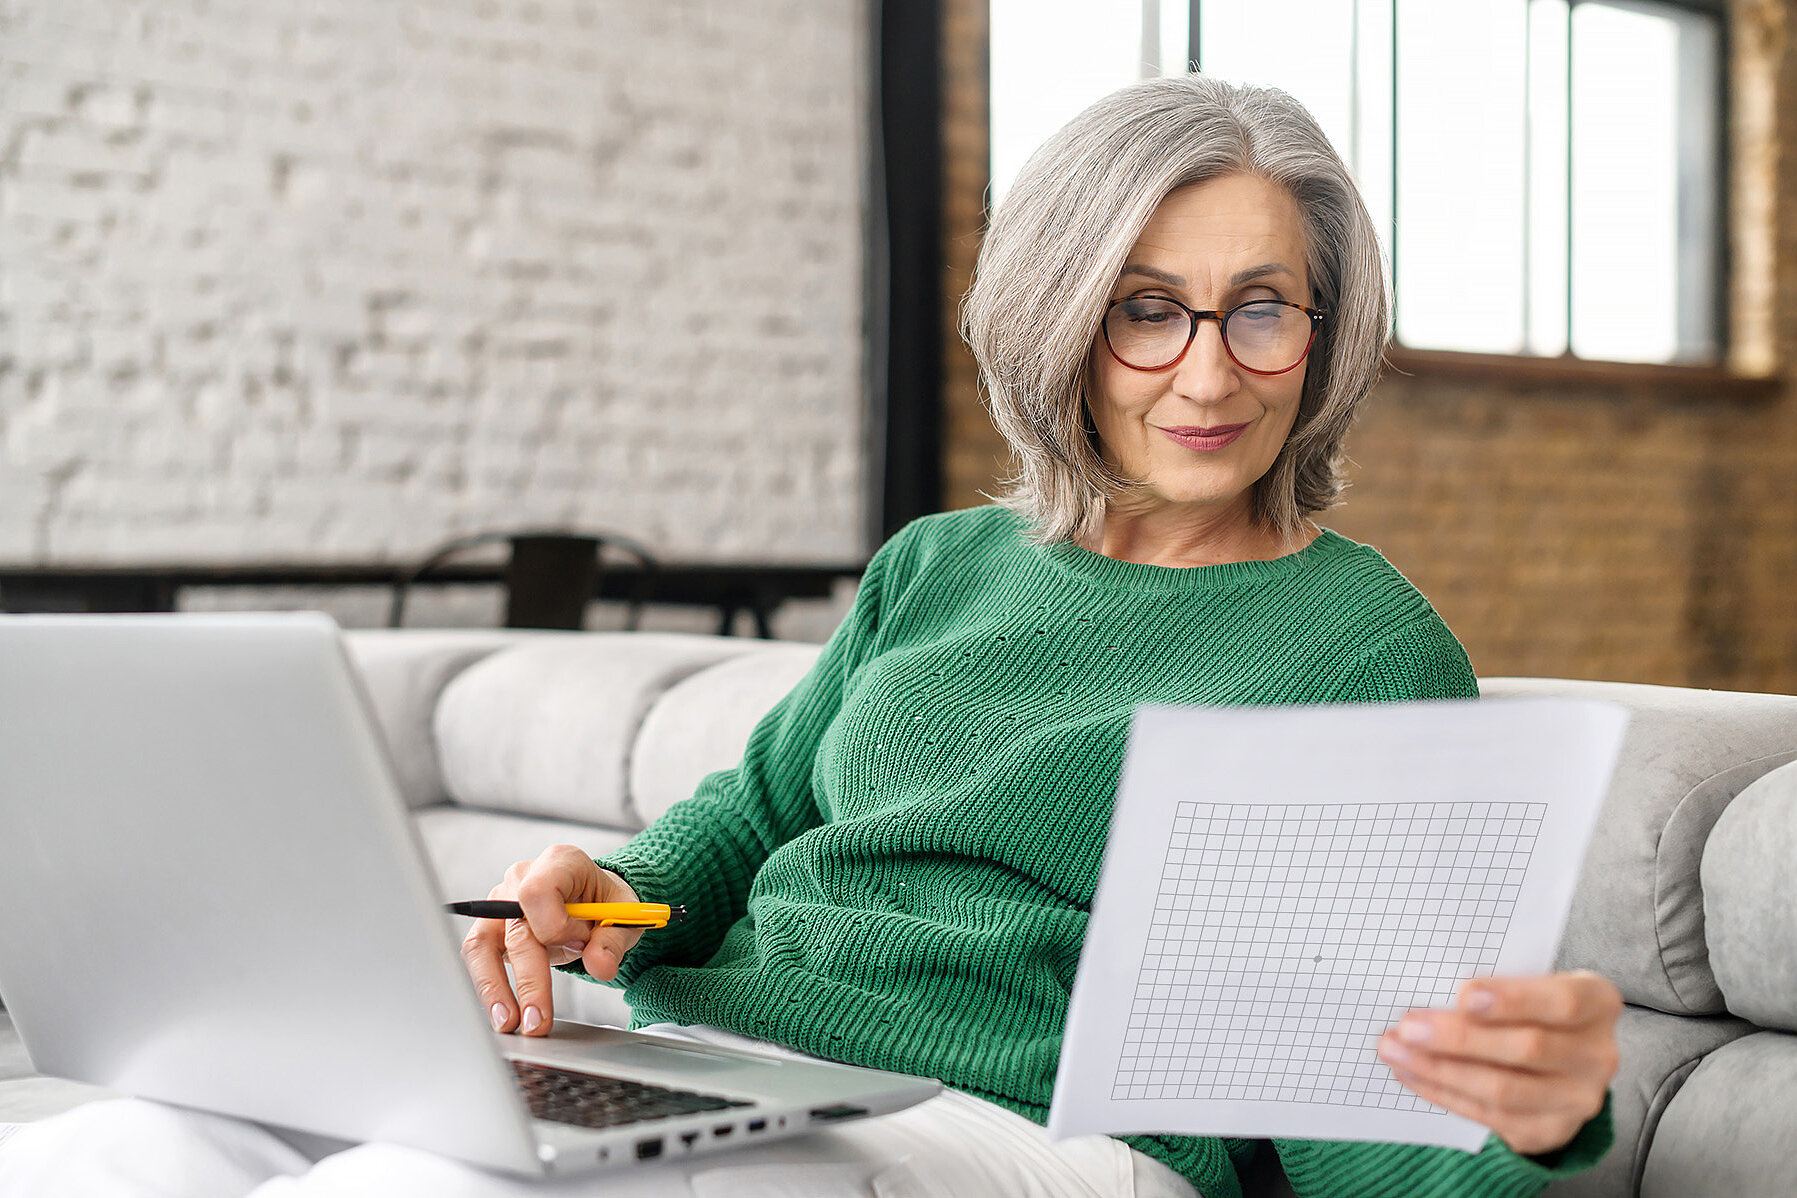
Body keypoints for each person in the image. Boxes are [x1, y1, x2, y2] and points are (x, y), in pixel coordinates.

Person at [0, 74, 1619, 1198]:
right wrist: (602, 890)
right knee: (110, 1146)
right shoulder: (937, 567)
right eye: (1146, 305)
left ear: (1322, 331)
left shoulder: (1356, 646)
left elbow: (1368, 1084)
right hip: (716, 1059)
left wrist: (1536, 1124)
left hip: (1018, 1131)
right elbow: (760, 812)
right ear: (1060, 316)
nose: (1209, 371)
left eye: (1261, 304)